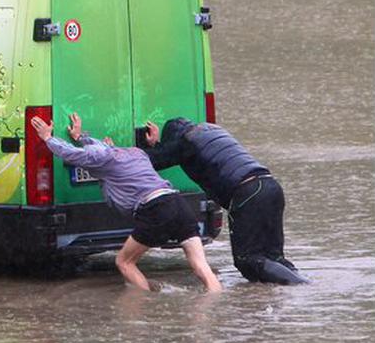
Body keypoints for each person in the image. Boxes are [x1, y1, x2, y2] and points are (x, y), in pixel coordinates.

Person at [30, 112, 222, 293]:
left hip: (154, 209)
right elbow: (98, 148)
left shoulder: (104, 158)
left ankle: (148, 308)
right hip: (178, 203)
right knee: (201, 266)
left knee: (124, 262)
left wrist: (48, 138)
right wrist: (81, 137)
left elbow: (71, 154)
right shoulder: (136, 153)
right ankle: (214, 303)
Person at [140, 118, 307, 285]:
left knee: (246, 259)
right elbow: (170, 153)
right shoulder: (211, 130)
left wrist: (114, 150)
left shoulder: (185, 143)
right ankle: (292, 289)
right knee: (274, 256)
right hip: (271, 186)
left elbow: (147, 161)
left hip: (247, 193)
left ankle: (301, 286)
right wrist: (158, 145)